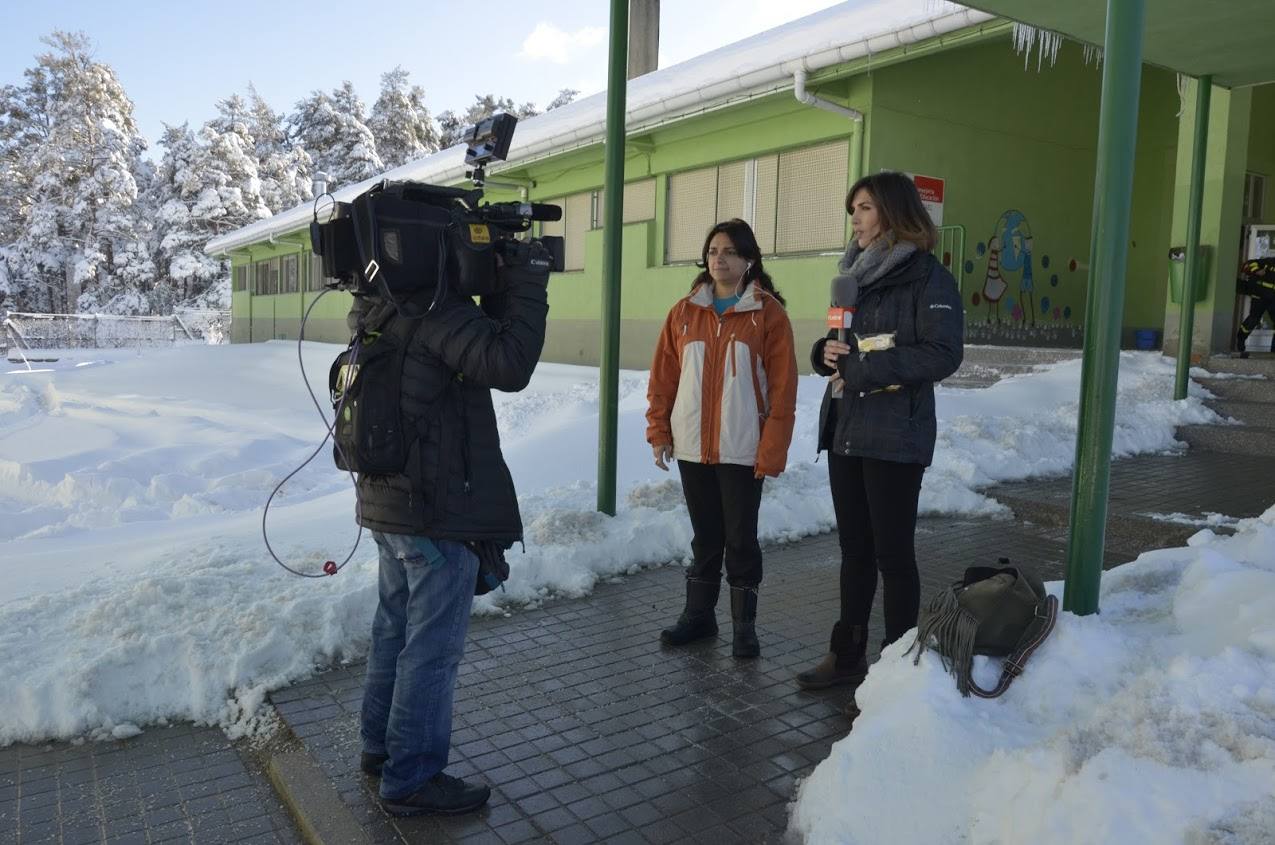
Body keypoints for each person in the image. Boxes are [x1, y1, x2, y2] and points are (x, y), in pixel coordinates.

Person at [347, 243, 550, 816]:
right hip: (434, 511)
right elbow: (510, 364)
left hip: (390, 502)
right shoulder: (440, 312)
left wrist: (497, 291)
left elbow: (479, 355)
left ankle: (380, 748)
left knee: (394, 630)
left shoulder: (380, 305)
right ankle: (411, 777)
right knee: (431, 650)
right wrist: (528, 283)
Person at [796, 172, 964, 715]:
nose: (856, 219)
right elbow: (844, 342)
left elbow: (943, 353)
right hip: (846, 428)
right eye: (853, 209)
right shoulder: (853, 276)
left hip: (895, 434)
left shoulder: (927, 277)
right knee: (854, 551)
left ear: (892, 212)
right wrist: (824, 351)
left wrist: (864, 369)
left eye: (865, 208)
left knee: (893, 555)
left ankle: (896, 672)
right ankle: (847, 655)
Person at [646, 218, 798, 658]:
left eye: (730, 251)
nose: (719, 259)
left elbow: (783, 389)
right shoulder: (683, 312)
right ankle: (699, 616)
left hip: (742, 448)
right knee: (705, 537)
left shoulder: (768, 314)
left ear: (749, 259)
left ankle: (744, 627)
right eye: (713, 251)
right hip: (692, 446)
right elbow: (663, 379)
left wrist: (772, 448)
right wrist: (659, 431)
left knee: (741, 540)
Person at [1236, 256, 1275, 358]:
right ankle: (1240, 340)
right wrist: (1256, 270)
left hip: (1273, 298)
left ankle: (1273, 352)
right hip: (1260, 295)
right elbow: (1248, 265)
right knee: (1253, 320)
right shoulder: (1268, 262)